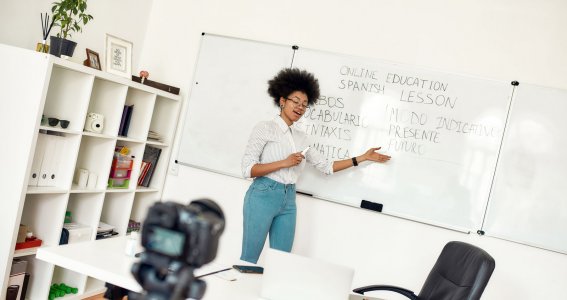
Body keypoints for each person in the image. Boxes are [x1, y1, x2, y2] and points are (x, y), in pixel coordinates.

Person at [240, 68, 391, 263]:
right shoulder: (265, 128)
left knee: (282, 263)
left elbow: (326, 166)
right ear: (282, 101)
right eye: (295, 101)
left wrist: (361, 158)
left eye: (304, 104)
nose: (300, 107)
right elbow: (247, 169)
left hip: (288, 200)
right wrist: (284, 163)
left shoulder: (302, 138)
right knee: (248, 260)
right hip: (262, 195)